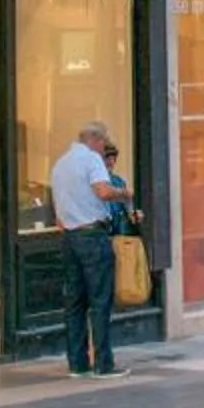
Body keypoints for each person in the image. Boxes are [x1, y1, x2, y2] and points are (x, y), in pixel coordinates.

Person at [48, 120, 131, 377]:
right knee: (100, 300)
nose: (104, 150)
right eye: (104, 144)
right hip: (93, 235)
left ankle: (78, 363)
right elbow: (103, 191)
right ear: (95, 140)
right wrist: (125, 193)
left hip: (69, 237)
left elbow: (58, 210)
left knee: (74, 302)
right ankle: (103, 363)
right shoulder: (92, 160)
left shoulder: (60, 164)